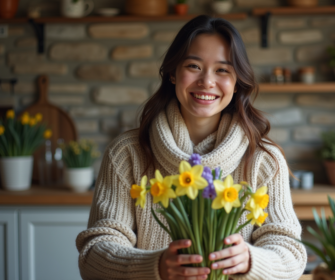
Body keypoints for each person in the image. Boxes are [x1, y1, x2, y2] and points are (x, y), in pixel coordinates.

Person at [76, 15, 307, 280]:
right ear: (173, 73)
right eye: (194, 66)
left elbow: (291, 254)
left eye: (222, 70)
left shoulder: (264, 159)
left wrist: (250, 261)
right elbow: (93, 255)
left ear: (236, 82)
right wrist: (156, 266)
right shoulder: (126, 154)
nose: (207, 81)